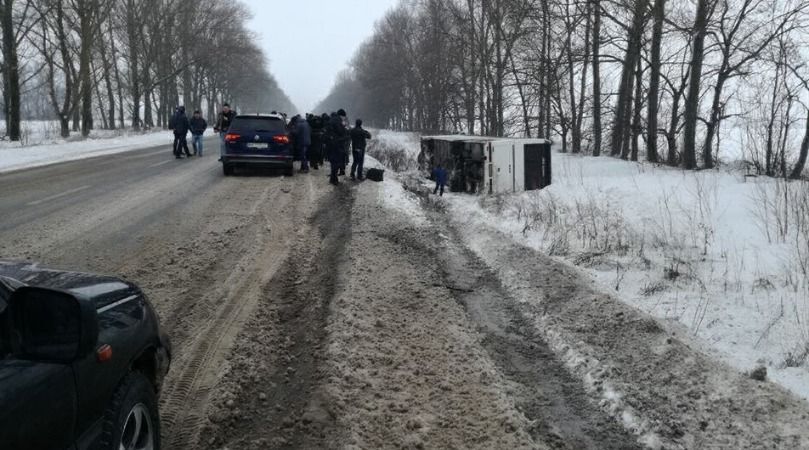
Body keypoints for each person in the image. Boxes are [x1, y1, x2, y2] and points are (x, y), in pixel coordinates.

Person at [326, 111, 349, 185]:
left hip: (331, 144)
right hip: (337, 144)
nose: (344, 118)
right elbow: (341, 132)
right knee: (336, 162)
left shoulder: (331, 120)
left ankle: (332, 179)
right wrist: (344, 128)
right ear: (341, 115)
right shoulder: (338, 121)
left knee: (333, 162)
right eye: (344, 117)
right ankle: (334, 180)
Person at [337, 109, 350, 176]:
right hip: (345, 140)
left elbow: (347, 129)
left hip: (344, 141)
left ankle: (342, 169)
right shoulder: (344, 121)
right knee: (343, 155)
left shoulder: (344, 121)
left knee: (342, 155)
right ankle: (342, 169)